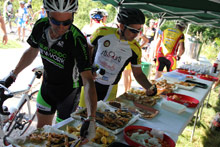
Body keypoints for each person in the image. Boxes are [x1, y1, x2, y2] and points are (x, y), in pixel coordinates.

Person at [0, 0, 97, 144]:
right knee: (41, 135)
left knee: (63, 139)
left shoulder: (76, 39)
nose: (61, 27)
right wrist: (13, 74)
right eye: (55, 21)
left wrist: (91, 117)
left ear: (73, 17)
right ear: (47, 14)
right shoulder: (41, 26)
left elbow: (88, 80)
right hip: (47, 88)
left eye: (67, 22)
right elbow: (32, 51)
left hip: (68, 94)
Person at [79, 8, 157, 107]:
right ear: (122, 26)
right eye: (133, 30)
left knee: (104, 118)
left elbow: (138, 74)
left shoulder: (135, 48)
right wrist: (88, 67)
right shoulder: (102, 32)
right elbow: (88, 47)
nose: (136, 34)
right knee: (82, 115)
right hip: (91, 81)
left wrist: (150, 87)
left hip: (110, 88)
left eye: (139, 30)